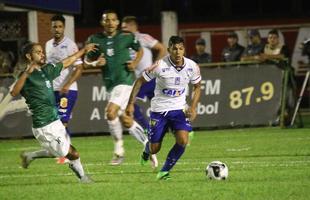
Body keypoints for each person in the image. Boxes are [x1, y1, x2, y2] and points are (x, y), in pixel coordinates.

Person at [10, 42, 96, 183]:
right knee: (72, 153)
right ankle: (83, 179)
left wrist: (84, 50)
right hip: (43, 125)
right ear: (28, 56)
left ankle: (30, 156)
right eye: (38, 52)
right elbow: (14, 91)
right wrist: (26, 72)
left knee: (57, 150)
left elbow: (67, 61)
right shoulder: (24, 76)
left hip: (54, 121)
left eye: (42, 51)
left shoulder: (46, 71)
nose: (42, 54)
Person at [85, 10, 157, 167]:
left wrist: (135, 63)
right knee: (126, 120)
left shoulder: (126, 36)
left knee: (110, 112)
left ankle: (119, 152)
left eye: (113, 20)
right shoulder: (95, 40)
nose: (110, 23)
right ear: (102, 22)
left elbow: (140, 50)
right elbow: (86, 61)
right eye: (107, 20)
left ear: (117, 23)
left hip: (125, 82)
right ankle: (148, 147)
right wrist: (96, 63)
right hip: (111, 85)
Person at [125, 36, 201, 180]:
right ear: (169, 50)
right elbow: (139, 81)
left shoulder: (192, 66)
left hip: (178, 110)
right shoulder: (159, 66)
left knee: (183, 140)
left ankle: (164, 171)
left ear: (184, 49)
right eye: (174, 49)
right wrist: (130, 103)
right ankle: (147, 149)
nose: (178, 52)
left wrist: (193, 106)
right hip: (159, 111)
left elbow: (197, 87)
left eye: (180, 48)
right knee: (155, 148)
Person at [45, 14, 83, 164]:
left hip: (68, 90)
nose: (57, 29)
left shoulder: (71, 45)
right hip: (53, 90)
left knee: (62, 122)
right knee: (55, 123)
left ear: (64, 28)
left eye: (60, 26)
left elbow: (79, 67)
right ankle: (64, 151)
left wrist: (67, 84)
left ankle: (65, 154)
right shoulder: (48, 45)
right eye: (54, 26)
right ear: (51, 27)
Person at [121, 15, 166, 131]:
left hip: (147, 78)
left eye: (125, 27)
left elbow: (162, 48)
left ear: (133, 26)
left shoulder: (143, 38)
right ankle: (174, 127)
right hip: (136, 80)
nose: (123, 30)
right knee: (163, 105)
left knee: (130, 102)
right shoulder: (122, 42)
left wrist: (154, 65)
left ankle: (147, 130)